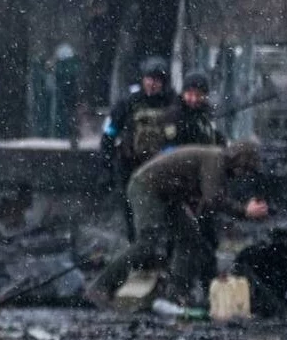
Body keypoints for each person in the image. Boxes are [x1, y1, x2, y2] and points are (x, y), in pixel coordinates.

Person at [93, 142, 269, 310]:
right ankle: (100, 287)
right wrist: (244, 210)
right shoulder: (215, 160)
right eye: (245, 169)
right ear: (239, 160)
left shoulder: (218, 163)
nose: (244, 174)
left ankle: (176, 293)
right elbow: (213, 198)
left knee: (190, 239)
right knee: (147, 243)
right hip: (147, 188)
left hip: (169, 196)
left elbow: (205, 199)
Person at [101, 59, 180, 234]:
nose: (152, 84)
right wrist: (106, 165)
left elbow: (179, 136)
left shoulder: (172, 104)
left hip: (162, 167)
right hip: (131, 165)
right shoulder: (128, 103)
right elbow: (110, 133)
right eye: (149, 79)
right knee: (131, 212)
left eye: (157, 80)